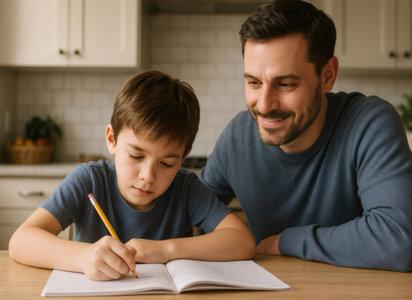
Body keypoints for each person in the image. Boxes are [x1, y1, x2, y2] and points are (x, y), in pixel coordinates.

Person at [200, 0, 412, 272]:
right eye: (253, 82)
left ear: (328, 76)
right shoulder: (237, 136)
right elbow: (188, 206)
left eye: (285, 84)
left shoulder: (368, 124)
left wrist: (287, 241)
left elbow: (399, 241)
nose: (264, 104)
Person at [9, 70, 255, 281]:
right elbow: (21, 241)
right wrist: (82, 257)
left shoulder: (186, 187)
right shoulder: (89, 180)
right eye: (136, 156)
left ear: (184, 156)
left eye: (167, 163)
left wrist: (166, 250)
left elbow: (242, 241)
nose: (148, 176)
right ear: (111, 139)